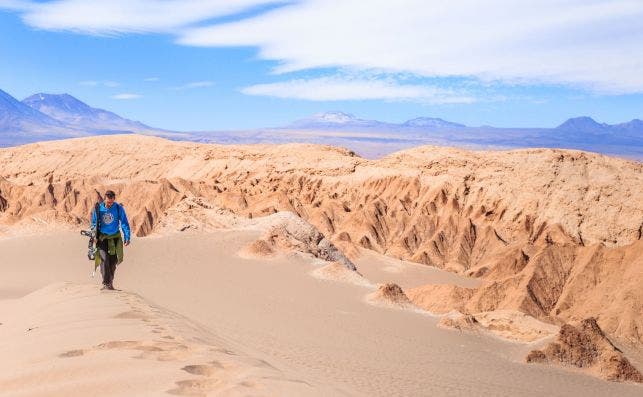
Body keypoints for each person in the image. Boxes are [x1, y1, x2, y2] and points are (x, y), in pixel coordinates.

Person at [90, 190, 131, 290]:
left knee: (113, 262)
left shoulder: (118, 208)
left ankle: (110, 282)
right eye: (108, 202)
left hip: (115, 238)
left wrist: (127, 236)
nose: (110, 204)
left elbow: (124, 223)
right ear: (105, 199)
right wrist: (94, 235)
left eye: (112, 202)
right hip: (102, 238)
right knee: (104, 259)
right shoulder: (99, 208)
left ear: (114, 200)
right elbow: (94, 223)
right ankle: (106, 283)